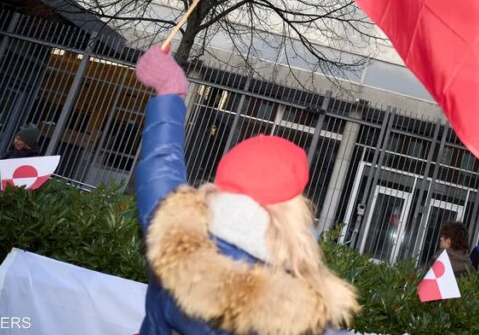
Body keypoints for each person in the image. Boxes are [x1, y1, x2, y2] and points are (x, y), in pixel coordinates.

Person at [134, 46, 358, 335]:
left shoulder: (176, 241)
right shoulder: (296, 312)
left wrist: (169, 91)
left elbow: (161, 168)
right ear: (292, 207)